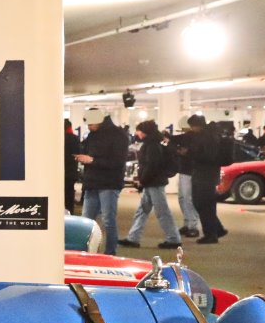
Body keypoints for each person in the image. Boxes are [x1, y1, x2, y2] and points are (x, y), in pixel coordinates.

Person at [120, 119, 179, 249]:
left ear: (145, 132)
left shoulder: (152, 145)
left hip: (154, 183)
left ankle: (173, 238)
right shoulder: (155, 143)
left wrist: (142, 180)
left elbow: (151, 166)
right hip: (152, 182)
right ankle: (133, 237)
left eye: (139, 131)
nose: (137, 133)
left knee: (161, 211)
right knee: (142, 211)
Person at [76, 107, 129, 254]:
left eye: (90, 124)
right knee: (86, 221)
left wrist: (92, 160)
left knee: (108, 220)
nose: (89, 127)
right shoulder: (93, 135)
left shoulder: (118, 135)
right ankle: (84, 252)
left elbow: (118, 162)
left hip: (109, 183)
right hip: (92, 182)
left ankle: (110, 253)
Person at [174, 114, 226, 244]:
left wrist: (188, 153)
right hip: (205, 174)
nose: (191, 129)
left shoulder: (209, 137)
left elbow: (207, 157)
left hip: (206, 175)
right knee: (203, 204)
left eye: (192, 126)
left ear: (197, 126)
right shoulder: (208, 135)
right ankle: (217, 229)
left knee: (204, 204)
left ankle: (211, 234)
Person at [169, 120, 201, 239]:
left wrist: (186, 152)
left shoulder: (202, 138)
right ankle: (187, 223)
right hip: (184, 170)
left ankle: (193, 226)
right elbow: (175, 140)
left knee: (188, 198)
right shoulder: (189, 136)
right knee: (182, 198)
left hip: (192, 171)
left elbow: (197, 152)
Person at [63, 120, 81, 214]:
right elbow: (78, 154)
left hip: (60, 172)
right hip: (71, 172)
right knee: (69, 195)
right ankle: (70, 214)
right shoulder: (74, 139)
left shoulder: (57, 138)